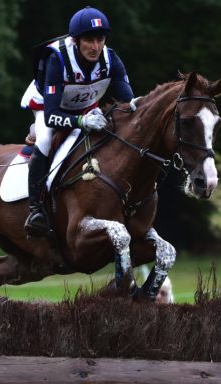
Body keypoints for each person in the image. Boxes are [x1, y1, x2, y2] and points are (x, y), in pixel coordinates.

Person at [20, 6, 135, 238]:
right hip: (48, 108)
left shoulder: (111, 60)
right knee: (43, 140)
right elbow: (53, 115)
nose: (95, 47)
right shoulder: (57, 59)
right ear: (75, 40)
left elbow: (129, 103)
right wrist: (82, 121)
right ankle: (35, 210)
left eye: (100, 39)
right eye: (89, 40)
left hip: (86, 109)